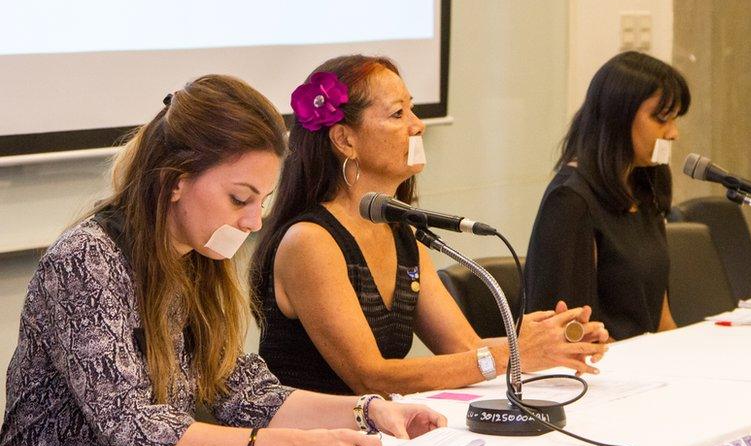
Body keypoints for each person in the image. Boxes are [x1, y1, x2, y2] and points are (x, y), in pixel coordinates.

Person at [0, 75, 445, 446]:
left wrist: (367, 412)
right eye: (239, 199)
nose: (253, 222)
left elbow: (243, 392)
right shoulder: (85, 261)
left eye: (261, 201)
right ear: (175, 182)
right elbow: (134, 427)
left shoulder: (195, 256)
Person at [252, 55, 609, 396]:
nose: (417, 124)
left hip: (373, 435)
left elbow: (463, 348)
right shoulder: (310, 241)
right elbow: (370, 376)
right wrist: (511, 354)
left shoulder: (401, 232)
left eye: (412, 108)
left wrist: (549, 340)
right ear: (345, 140)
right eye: (398, 113)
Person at [523, 51, 689, 341]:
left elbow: (661, 316)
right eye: (662, 119)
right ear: (619, 118)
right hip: (600, 371)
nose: (673, 133)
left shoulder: (647, 184)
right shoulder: (570, 201)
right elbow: (571, 332)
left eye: (675, 119)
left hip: (649, 362)